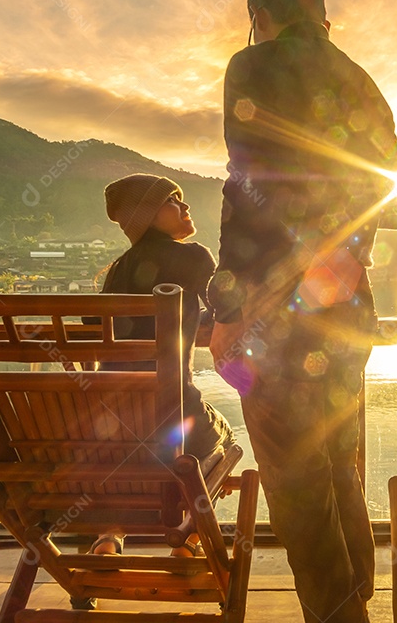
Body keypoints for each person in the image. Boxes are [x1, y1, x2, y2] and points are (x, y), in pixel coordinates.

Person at [208, 0, 397, 623]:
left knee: (296, 481)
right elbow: (390, 195)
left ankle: (338, 614)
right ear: (323, 15)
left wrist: (229, 310)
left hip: (275, 317)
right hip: (348, 313)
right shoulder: (361, 80)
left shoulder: (252, 66)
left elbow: (247, 190)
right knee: (334, 459)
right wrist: (345, 251)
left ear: (260, 17)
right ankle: (358, 598)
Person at [91, 173, 235, 558]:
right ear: (150, 215)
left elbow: (94, 328)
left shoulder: (117, 272)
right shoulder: (193, 258)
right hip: (173, 414)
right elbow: (228, 309)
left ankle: (109, 534)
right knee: (225, 441)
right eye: (174, 200)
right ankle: (188, 537)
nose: (185, 206)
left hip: (111, 418)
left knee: (133, 451)